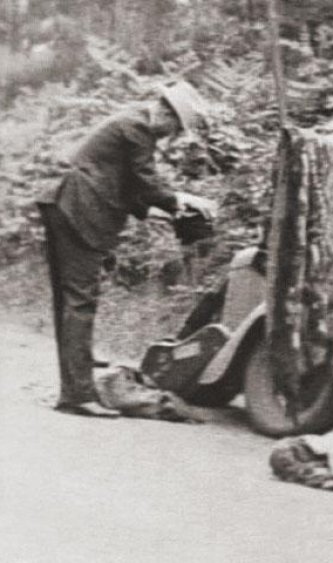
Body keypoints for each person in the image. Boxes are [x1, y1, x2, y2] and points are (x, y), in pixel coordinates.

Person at [36, 81, 217, 417]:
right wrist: (184, 199)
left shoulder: (132, 122)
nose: (171, 135)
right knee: (80, 300)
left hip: (66, 204)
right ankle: (78, 394)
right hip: (79, 208)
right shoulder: (137, 128)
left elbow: (129, 187)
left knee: (69, 299)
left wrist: (159, 213)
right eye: (175, 127)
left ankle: (76, 377)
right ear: (165, 111)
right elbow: (146, 183)